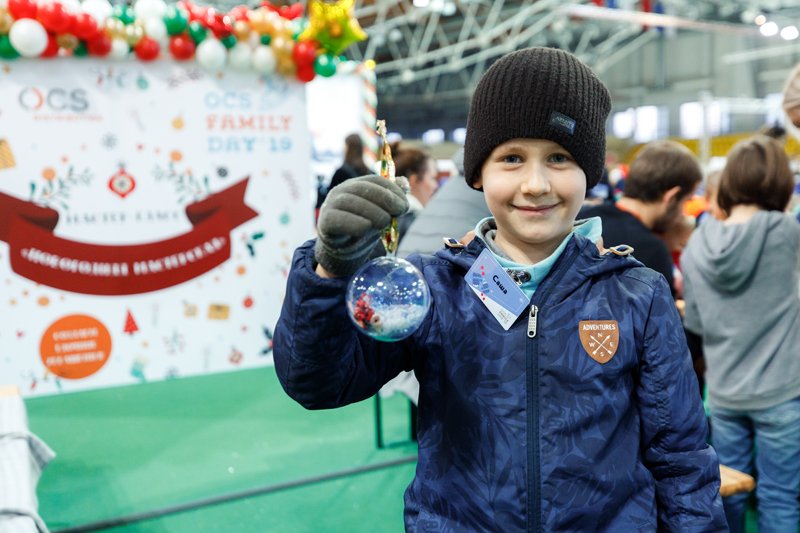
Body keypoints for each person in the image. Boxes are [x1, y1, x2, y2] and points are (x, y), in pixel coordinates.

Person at [274, 47, 726, 531]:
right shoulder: (434, 287)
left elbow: (680, 456)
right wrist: (329, 272)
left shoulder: (637, 293)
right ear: (478, 173)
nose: (535, 184)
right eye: (511, 158)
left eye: (559, 158)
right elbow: (319, 383)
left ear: (589, 172)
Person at [681, 135, 800, 533]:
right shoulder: (786, 232)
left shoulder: (698, 242)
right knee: (779, 497)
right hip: (782, 390)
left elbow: (696, 322)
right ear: (781, 182)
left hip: (724, 392)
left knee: (728, 494)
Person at [579, 140, 702, 296]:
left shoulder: (585, 218)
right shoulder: (653, 250)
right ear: (671, 197)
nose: (682, 214)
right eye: (685, 201)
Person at [397, 147, 491, 257]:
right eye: (433, 178)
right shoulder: (409, 217)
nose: (436, 186)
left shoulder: (400, 214)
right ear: (413, 181)